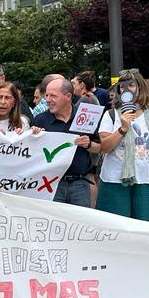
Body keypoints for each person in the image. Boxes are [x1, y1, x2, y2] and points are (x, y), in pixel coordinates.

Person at [96, 70, 149, 222]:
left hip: (147, 179)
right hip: (115, 181)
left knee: (146, 227)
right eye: (122, 86)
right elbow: (104, 148)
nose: (126, 89)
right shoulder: (111, 115)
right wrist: (123, 128)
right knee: (116, 227)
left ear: (140, 88)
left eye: (131, 85)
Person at [31, 78, 101, 208]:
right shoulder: (40, 120)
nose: (48, 99)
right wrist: (33, 136)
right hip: (51, 184)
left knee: (80, 225)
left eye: (53, 96)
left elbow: (100, 148)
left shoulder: (86, 116)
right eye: (46, 95)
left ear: (68, 96)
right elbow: (30, 153)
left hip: (80, 184)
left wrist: (89, 144)